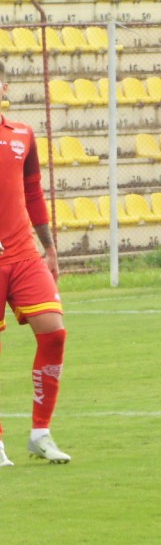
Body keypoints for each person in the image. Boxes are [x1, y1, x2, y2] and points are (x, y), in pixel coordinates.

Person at [0, 61, 71, 466]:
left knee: (55, 332)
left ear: (4, 87)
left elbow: (33, 192)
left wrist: (50, 247)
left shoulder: (23, 135)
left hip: (24, 253)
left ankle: (40, 433)